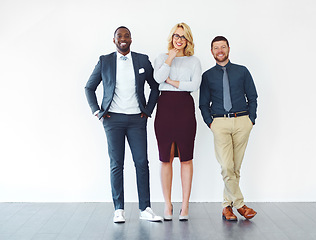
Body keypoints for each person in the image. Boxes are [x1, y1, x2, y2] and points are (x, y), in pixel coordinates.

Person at [85, 26, 162, 223]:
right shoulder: (105, 61)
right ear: (114, 40)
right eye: (119, 36)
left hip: (137, 119)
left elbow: (155, 87)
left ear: (131, 39)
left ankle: (145, 208)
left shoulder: (142, 60)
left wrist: (148, 110)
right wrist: (97, 112)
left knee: (141, 163)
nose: (123, 39)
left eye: (127, 36)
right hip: (113, 120)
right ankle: (118, 209)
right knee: (116, 164)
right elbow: (89, 87)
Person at [199, 36, 258, 221]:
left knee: (235, 168)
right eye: (216, 48)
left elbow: (253, 96)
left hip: (242, 121)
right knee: (226, 166)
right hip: (220, 123)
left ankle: (227, 207)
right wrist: (211, 122)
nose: (220, 50)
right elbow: (203, 104)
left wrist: (251, 119)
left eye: (223, 47)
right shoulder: (207, 76)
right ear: (212, 52)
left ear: (229, 49)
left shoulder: (242, 71)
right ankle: (240, 205)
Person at [153, 23, 202, 221]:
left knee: (186, 158)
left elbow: (195, 84)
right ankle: (167, 205)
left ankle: (185, 205)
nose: (178, 39)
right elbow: (158, 78)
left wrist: (172, 82)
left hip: (184, 109)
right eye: (176, 35)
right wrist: (170, 59)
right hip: (164, 109)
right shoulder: (162, 58)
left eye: (183, 36)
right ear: (171, 37)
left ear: (188, 40)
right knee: (165, 158)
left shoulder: (194, 61)